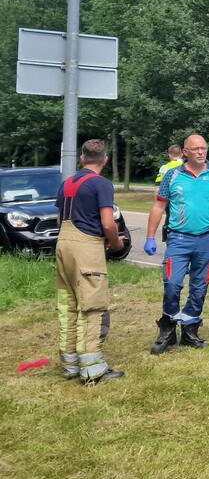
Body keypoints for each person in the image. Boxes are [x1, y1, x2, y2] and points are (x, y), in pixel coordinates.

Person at [143, 135, 209, 353]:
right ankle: (167, 329)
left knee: (199, 287)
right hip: (179, 239)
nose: (201, 152)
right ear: (185, 152)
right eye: (196, 149)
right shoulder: (172, 175)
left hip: (208, 240)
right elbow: (158, 207)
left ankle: (190, 330)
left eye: (204, 148)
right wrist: (150, 236)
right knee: (172, 284)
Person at [54, 139, 125, 384]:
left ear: (82, 158)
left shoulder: (66, 184)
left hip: (63, 244)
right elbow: (107, 222)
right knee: (92, 306)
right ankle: (92, 369)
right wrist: (115, 243)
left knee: (69, 306)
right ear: (105, 159)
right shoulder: (101, 184)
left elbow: (59, 219)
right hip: (87, 249)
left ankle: (70, 364)